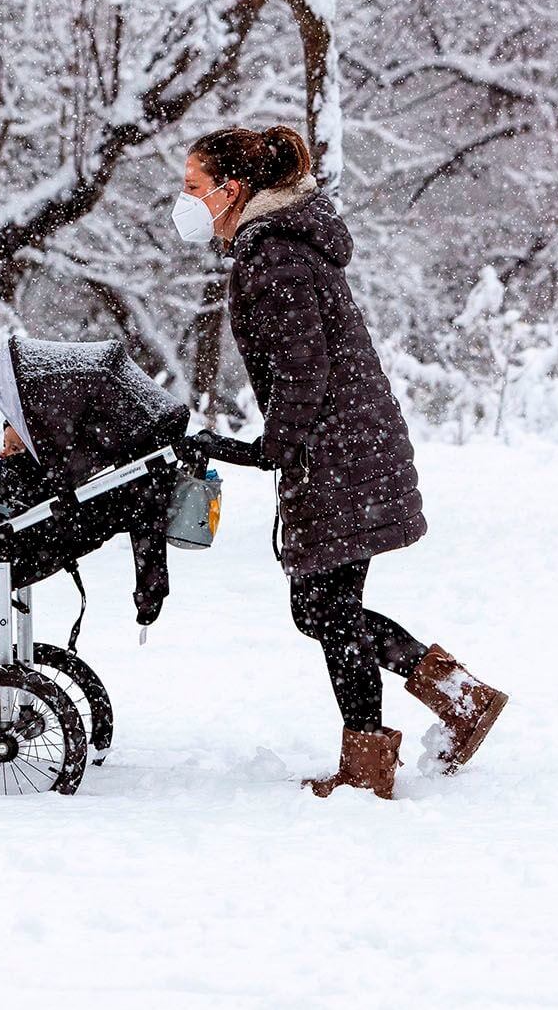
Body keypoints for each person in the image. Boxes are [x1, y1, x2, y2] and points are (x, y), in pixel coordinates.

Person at [175, 125, 509, 800]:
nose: (183, 203)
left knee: (325, 608)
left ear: (230, 191)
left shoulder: (273, 259)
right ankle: (457, 702)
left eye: (190, 188)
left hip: (339, 453)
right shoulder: (279, 248)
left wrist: (269, 449)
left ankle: (377, 761)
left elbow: (304, 371)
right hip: (346, 446)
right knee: (326, 607)